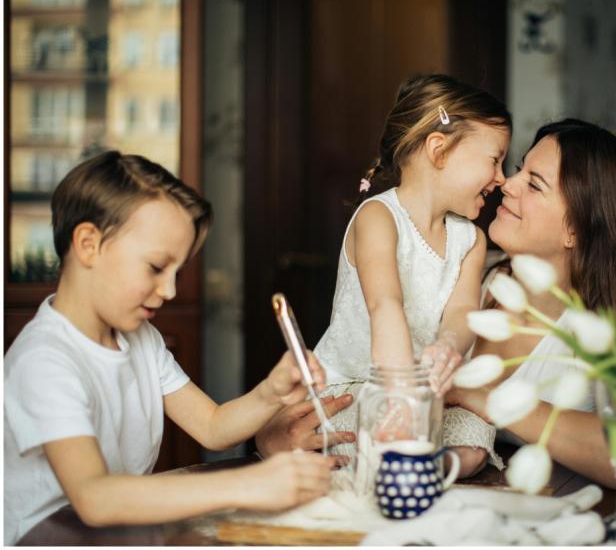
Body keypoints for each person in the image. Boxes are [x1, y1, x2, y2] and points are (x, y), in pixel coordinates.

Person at [4, 152, 334, 545]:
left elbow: (212, 427)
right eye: (156, 267)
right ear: (89, 244)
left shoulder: (140, 337)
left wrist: (270, 392)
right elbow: (94, 498)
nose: (171, 290)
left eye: (178, 272)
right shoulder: (44, 361)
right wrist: (248, 484)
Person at [258, 74, 512, 477]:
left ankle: (418, 466)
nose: (501, 178)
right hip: (361, 385)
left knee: (474, 440)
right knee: (359, 432)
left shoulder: (471, 240)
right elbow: (385, 305)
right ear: (439, 150)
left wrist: (448, 346)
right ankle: (397, 461)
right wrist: (399, 397)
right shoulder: (378, 217)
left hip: (428, 394)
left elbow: (463, 312)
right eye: (494, 159)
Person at [446, 117, 616, 488]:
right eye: (520, 169)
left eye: (534, 184)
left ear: (576, 229)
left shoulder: (605, 334)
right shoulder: (469, 274)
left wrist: (490, 398)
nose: (507, 182)